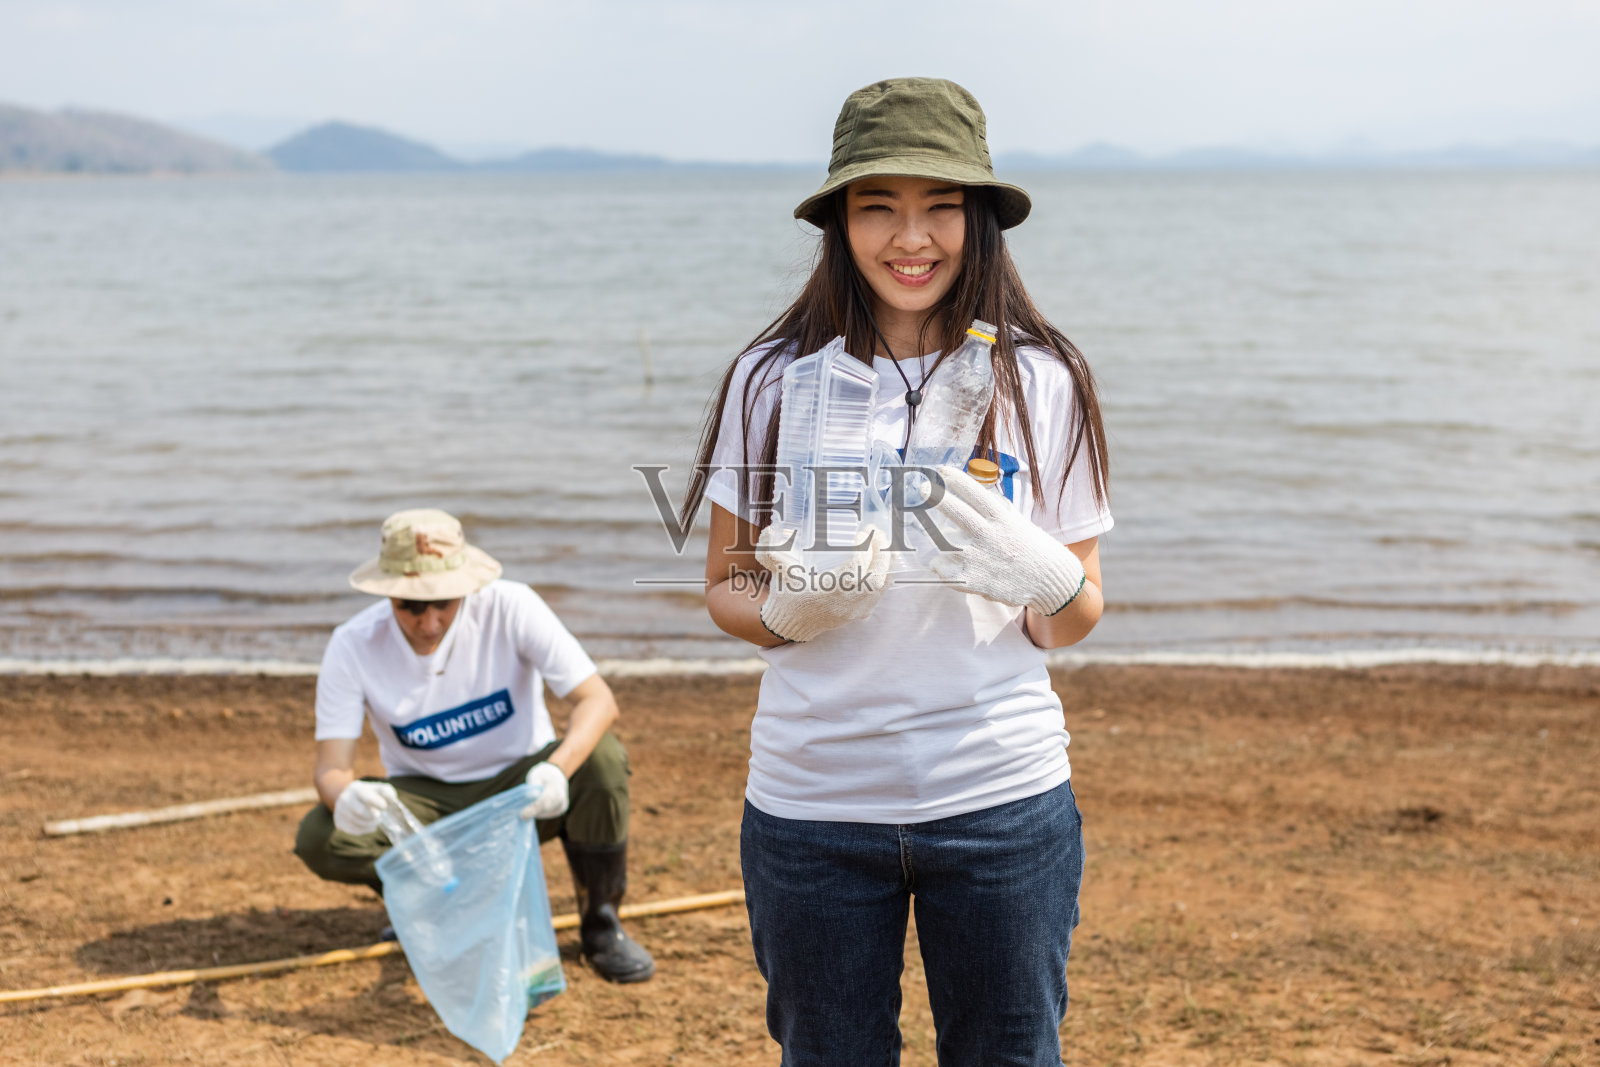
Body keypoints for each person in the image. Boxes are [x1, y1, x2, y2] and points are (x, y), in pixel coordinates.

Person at [681, 78, 1112, 1064]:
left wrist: (1040, 577)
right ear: (837, 221)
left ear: (981, 220)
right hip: (813, 805)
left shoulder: (1043, 376)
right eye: (877, 206)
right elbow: (723, 582)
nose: (908, 238)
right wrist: (790, 610)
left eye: (939, 206)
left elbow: (1078, 607)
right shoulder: (771, 376)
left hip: (1001, 797)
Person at [292, 507, 655, 984]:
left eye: (444, 602)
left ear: (467, 587)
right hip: (431, 802)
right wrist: (346, 796)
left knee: (604, 759)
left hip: (522, 788)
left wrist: (556, 771)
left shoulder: (512, 606)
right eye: (411, 606)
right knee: (322, 836)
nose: (430, 621)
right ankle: (429, 905)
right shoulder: (353, 645)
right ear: (387, 595)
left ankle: (601, 924)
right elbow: (330, 769)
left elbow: (597, 700)